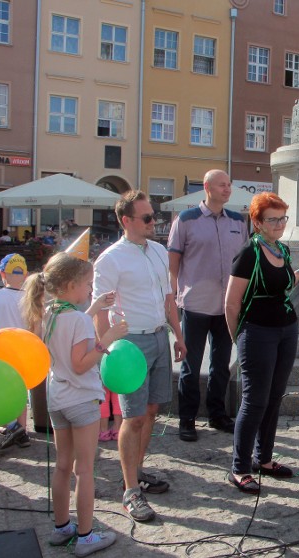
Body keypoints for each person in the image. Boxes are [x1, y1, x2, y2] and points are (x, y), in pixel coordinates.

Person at [21, 252, 128, 556]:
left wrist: (94, 308)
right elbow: (81, 364)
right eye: (87, 286)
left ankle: (61, 527)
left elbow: (69, 335)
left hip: (57, 399)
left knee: (63, 466)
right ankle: (85, 536)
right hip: (82, 400)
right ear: (70, 285)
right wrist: (108, 337)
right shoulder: (78, 320)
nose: (89, 291)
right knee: (84, 471)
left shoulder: (48, 312)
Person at [93, 191, 186, 522]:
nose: (154, 222)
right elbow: (101, 308)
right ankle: (130, 491)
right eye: (147, 218)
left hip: (159, 337)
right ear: (126, 221)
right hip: (129, 345)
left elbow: (168, 297)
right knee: (131, 417)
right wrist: (105, 348)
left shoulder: (159, 251)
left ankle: (136, 469)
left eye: (154, 216)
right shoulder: (110, 259)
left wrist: (178, 335)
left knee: (150, 411)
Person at [225, 193, 299, 494]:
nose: (281, 224)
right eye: (274, 219)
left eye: (283, 218)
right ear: (257, 222)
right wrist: (239, 339)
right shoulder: (249, 252)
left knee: (274, 396)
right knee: (254, 400)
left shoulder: (282, 249)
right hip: (256, 331)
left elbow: (288, 282)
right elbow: (231, 304)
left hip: (286, 328)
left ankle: (264, 459)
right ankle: (240, 467)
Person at [168, 169, 248, 442]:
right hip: (196, 303)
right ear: (207, 187)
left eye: (229, 184)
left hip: (228, 306)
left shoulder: (238, 220)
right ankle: (187, 419)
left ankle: (217, 414)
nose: (227, 189)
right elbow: (174, 261)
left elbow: (245, 262)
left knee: (222, 363)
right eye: (222, 185)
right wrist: (173, 293)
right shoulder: (186, 219)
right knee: (191, 365)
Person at [0, 254, 32, 451]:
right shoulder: (30, 297)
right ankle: (22, 430)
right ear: (25, 275)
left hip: (1, 352)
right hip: (25, 351)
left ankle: (11, 426)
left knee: (2, 392)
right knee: (22, 391)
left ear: (2, 273)